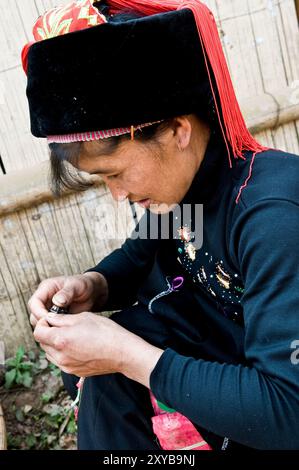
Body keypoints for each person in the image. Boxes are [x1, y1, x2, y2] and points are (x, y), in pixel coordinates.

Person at [24, 0, 299, 450]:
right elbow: (140, 254)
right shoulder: (178, 185)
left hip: (266, 413)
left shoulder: (272, 216)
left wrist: (129, 355)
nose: (117, 194)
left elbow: (288, 410)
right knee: (106, 374)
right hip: (216, 368)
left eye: (115, 173)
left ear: (177, 130)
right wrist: (93, 284)